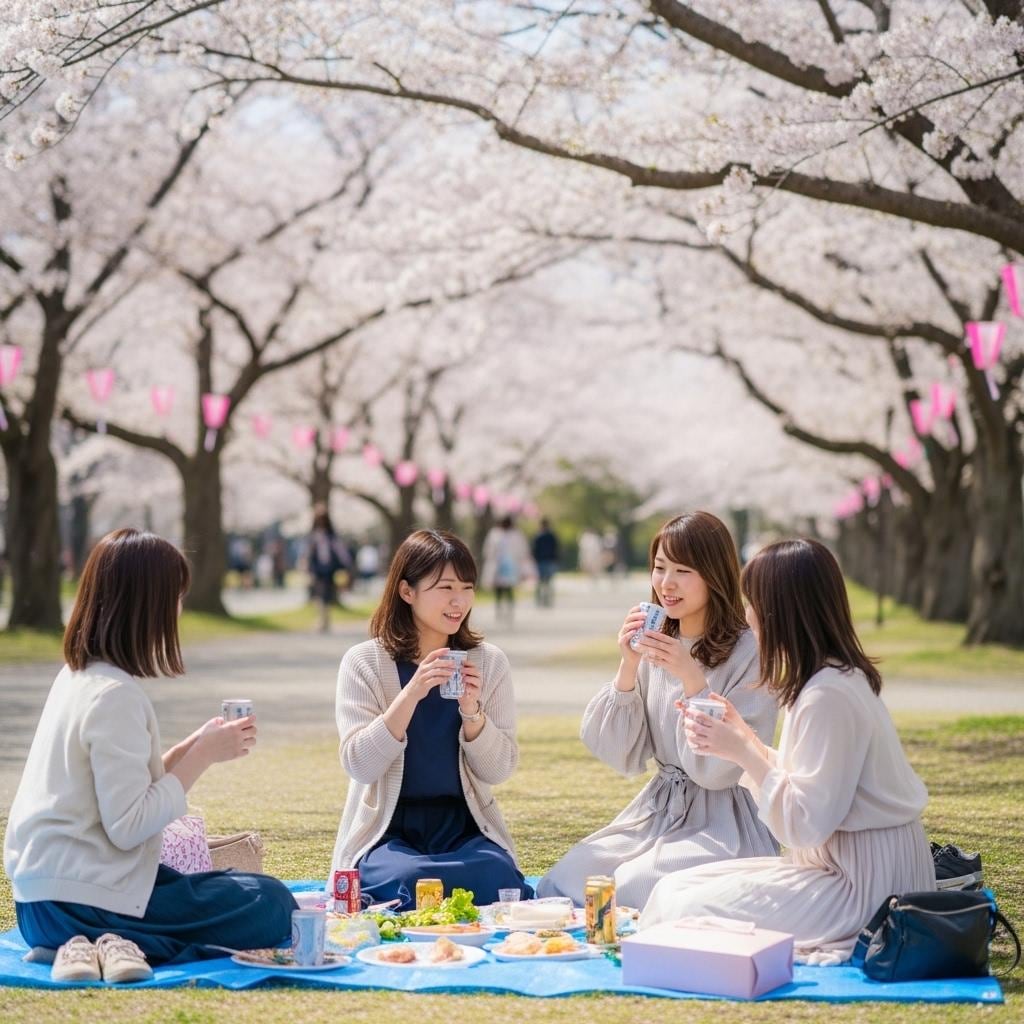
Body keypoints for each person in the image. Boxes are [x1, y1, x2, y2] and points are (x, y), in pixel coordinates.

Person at [3, 528, 295, 974]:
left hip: (43, 899)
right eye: (173, 597)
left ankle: (92, 943)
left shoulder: (78, 677)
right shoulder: (113, 695)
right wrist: (202, 758)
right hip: (80, 900)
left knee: (231, 888)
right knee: (270, 901)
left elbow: (111, 796)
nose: (178, 609)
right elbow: (128, 826)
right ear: (147, 604)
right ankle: (112, 942)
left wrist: (184, 750)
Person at [641, 539, 934, 964]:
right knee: (671, 890)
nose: (748, 615)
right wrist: (744, 736)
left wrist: (743, 751)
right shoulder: (827, 680)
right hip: (843, 869)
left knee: (684, 909)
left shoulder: (827, 695)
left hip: (863, 888)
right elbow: (810, 783)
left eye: (753, 602)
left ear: (782, 609)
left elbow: (803, 824)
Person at [537, 511, 779, 910]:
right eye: (659, 567)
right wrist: (628, 665)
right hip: (660, 808)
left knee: (634, 886)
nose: (667, 583)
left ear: (714, 575)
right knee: (566, 880)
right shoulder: (656, 641)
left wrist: (691, 678)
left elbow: (722, 772)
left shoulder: (749, 651)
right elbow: (622, 754)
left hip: (724, 818)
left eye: (683, 570)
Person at [330, 529, 531, 909]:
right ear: (407, 592)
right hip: (388, 829)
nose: (459, 601)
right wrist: (411, 694)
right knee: (412, 880)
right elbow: (359, 764)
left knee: (498, 875)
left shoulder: (488, 662)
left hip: (463, 825)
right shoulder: (365, 663)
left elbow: (499, 770)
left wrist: (473, 714)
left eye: (468, 588)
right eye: (445, 588)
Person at [308, 504, 352, 632]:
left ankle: (326, 620)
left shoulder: (331, 536)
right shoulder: (313, 536)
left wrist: (346, 564)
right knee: (318, 594)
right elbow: (309, 553)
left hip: (329, 569)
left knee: (326, 594)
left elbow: (340, 551)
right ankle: (322, 619)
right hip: (317, 568)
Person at [481, 515, 532, 625]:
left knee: (509, 589)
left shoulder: (516, 535)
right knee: (499, 589)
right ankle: (499, 610)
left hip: (511, 566)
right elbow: (488, 549)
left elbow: (522, 550)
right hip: (498, 566)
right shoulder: (494, 534)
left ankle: (509, 610)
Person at [532, 518, 560, 607]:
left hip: (543, 561)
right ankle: (545, 600)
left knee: (542, 582)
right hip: (547, 561)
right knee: (546, 581)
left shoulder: (539, 536)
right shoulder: (550, 536)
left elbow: (534, 550)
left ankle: (542, 600)